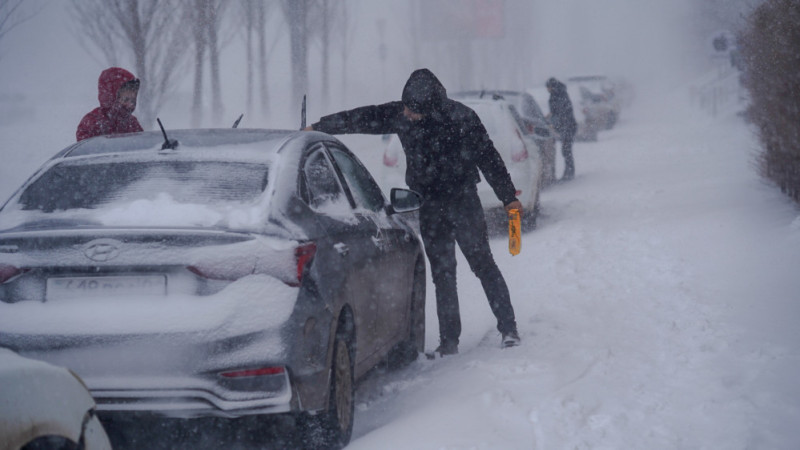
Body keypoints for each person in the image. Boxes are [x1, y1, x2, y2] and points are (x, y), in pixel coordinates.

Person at [304, 68, 521, 355]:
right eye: (405, 106)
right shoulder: (401, 114)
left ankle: (508, 328)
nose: (406, 113)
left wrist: (508, 198)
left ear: (430, 107)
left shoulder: (463, 118)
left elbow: (489, 158)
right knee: (443, 274)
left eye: (413, 110)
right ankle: (449, 342)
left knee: (483, 265)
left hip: (463, 202)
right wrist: (320, 126)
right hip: (429, 206)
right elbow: (362, 117)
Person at [77, 67, 143, 141]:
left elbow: (142, 147)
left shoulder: (132, 123)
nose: (130, 104)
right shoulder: (93, 122)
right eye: (125, 100)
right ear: (111, 98)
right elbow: (85, 149)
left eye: (133, 101)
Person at [546, 77, 577, 181]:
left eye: (548, 87)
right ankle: (569, 171)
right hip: (567, 125)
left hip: (567, 126)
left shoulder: (558, 95)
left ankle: (569, 172)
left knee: (566, 150)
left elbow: (561, 112)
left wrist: (554, 122)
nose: (547, 89)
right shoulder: (559, 94)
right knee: (566, 149)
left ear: (552, 87)